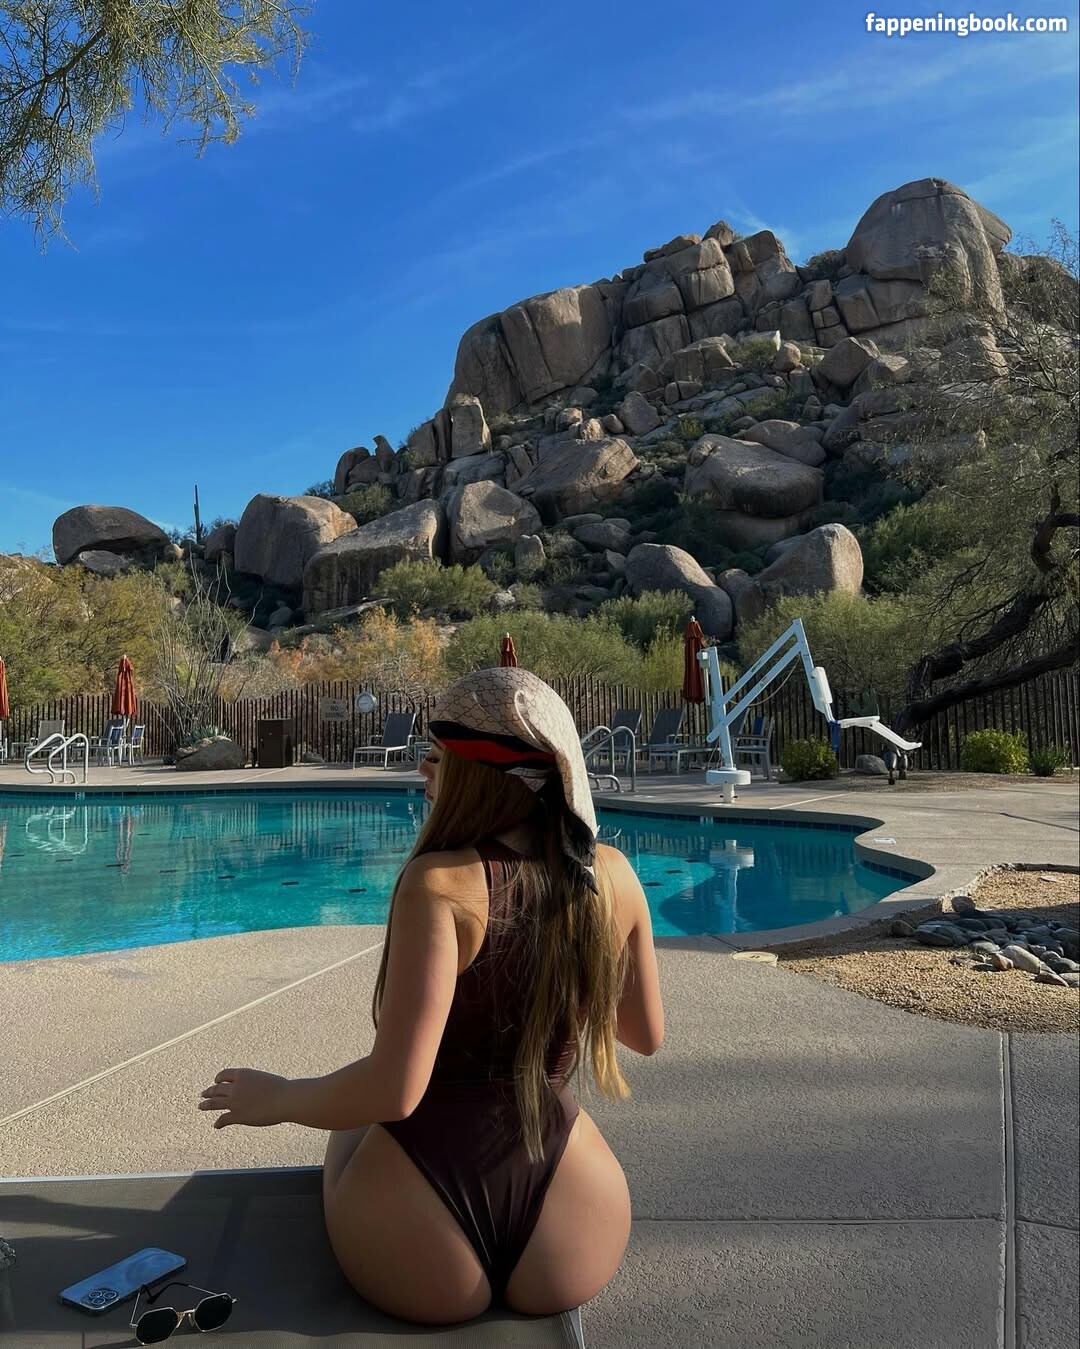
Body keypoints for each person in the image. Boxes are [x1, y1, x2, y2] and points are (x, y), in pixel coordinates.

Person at [198, 667, 664, 1324]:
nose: (423, 770)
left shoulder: (440, 885)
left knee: (351, 1121)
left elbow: (395, 1092)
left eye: (437, 757)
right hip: (573, 1224)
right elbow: (644, 1034)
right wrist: (565, 956)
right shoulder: (610, 876)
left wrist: (278, 1099)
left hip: (423, 1232)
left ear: (480, 776)